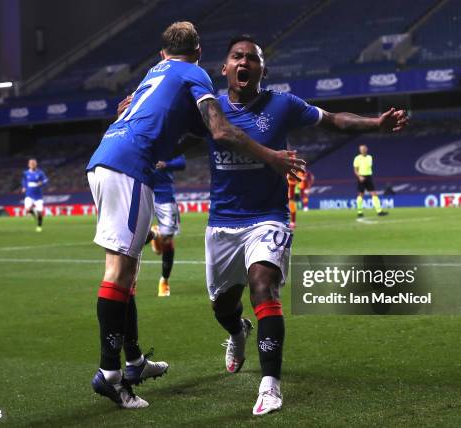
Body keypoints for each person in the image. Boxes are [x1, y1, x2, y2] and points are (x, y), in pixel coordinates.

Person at [86, 22, 305, 409]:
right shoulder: (194, 73)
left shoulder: (155, 73)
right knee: (119, 272)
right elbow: (217, 129)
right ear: (201, 54)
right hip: (130, 166)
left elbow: (138, 109)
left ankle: (134, 361)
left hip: (104, 157)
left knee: (129, 268)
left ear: (161, 54)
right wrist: (271, 156)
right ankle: (110, 374)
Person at [185, 35, 407, 415]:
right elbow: (161, 126)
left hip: (267, 217)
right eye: (237, 57)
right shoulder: (209, 111)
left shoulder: (282, 105)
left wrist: (375, 123)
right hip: (222, 222)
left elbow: (334, 120)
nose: (244, 62)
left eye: (252, 59)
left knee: (262, 285)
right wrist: (133, 109)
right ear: (224, 68)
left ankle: (270, 385)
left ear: (262, 71)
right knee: (223, 306)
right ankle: (237, 331)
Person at [149, 155, 186, 297]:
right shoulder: (140, 139)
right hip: (143, 192)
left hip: (165, 196)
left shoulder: (169, 141)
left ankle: (164, 280)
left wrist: (165, 163)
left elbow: (181, 162)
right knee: (136, 236)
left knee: (167, 240)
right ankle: (155, 234)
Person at [353, 144, 387, 217]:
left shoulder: (370, 157)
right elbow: (355, 170)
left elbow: (368, 167)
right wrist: (359, 176)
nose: (362, 150)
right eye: (361, 149)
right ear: (360, 150)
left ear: (366, 149)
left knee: (374, 194)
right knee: (360, 194)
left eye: (364, 149)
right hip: (361, 177)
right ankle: (359, 212)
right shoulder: (357, 158)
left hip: (368, 177)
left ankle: (379, 211)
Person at [21, 158, 48, 232]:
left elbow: (46, 180)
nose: (32, 164)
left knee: (40, 212)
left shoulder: (40, 173)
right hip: (29, 194)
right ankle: (33, 214)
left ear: (36, 164)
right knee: (27, 209)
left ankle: (39, 226)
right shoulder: (26, 173)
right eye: (31, 163)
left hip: (38, 196)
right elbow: (24, 181)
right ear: (28, 165)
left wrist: (41, 183)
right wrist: (24, 187)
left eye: (34, 163)